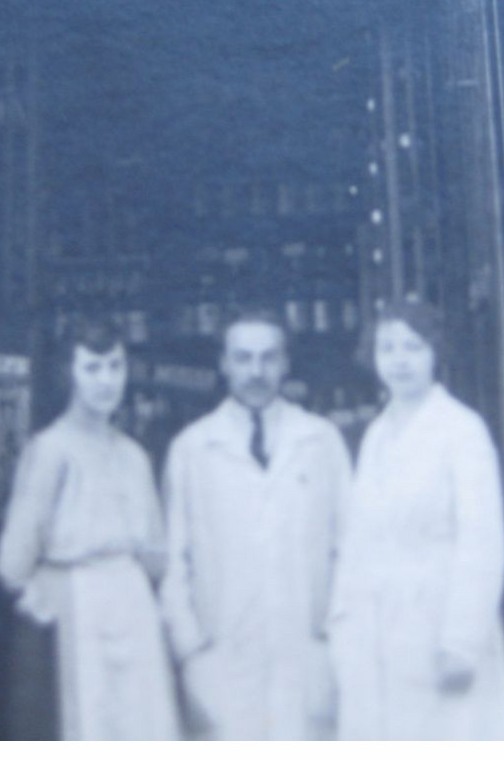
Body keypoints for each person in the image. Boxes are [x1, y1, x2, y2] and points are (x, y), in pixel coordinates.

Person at [328, 300, 504, 739]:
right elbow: (358, 540)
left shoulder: (461, 430)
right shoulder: (376, 435)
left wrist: (461, 641)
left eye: (413, 347)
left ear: (436, 353)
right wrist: (344, 625)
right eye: (387, 348)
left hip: (440, 619)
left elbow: (482, 541)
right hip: (379, 626)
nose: (399, 360)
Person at [160, 308, 351, 740]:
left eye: (268, 358)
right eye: (243, 358)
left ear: (286, 363)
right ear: (223, 363)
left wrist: (338, 638)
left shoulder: (322, 442)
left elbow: (351, 551)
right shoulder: (191, 449)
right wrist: (190, 651)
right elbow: (173, 563)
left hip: (308, 656)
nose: (256, 371)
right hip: (222, 657)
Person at [0, 315, 178, 740]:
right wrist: (43, 597)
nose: (106, 381)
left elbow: (155, 552)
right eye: (92, 368)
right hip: (78, 607)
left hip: (133, 608)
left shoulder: (134, 456)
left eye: (115, 367)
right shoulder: (51, 450)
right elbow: (14, 561)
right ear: (69, 374)